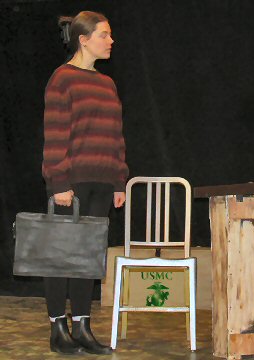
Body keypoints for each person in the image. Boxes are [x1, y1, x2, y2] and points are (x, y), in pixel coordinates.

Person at [42, 11, 128, 355]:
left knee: (87, 258)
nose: (111, 40)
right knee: (62, 256)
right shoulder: (62, 79)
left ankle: (82, 326)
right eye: (104, 35)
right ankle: (57, 328)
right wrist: (59, 182)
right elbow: (55, 133)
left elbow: (116, 135)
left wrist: (119, 179)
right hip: (72, 182)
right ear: (84, 39)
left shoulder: (107, 83)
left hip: (103, 180)